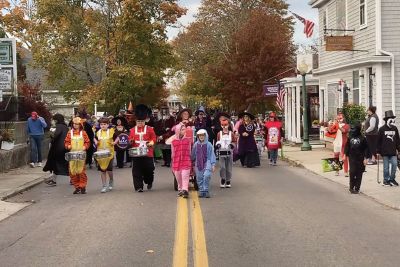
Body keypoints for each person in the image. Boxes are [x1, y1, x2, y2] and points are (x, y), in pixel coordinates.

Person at [129, 104, 157, 192]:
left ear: (145, 121)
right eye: (138, 121)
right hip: (136, 153)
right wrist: (131, 141)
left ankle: (149, 181)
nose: (140, 123)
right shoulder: (132, 130)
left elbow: (154, 139)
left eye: (141, 121)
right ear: (136, 121)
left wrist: (151, 143)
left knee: (149, 169)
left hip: (148, 152)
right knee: (136, 170)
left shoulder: (150, 129)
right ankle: (138, 187)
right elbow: (130, 139)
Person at [64, 117, 90, 194]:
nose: (75, 125)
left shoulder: (83, 133)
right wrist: (68, 146)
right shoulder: (69, 133)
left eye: (77, 124)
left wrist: (85, 147)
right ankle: (77, 187)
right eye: (74, 124)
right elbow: (66, 142)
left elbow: (87, 142)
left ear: (80, 125)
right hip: (72, 154)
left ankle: (82, 187)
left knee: (81, 171)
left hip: (81, 154)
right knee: (72, 171)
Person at [43, 114, 69, 186]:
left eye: (53, 120)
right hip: (65, 148)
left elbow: (56, 135)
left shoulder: (58, 126)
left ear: (56, 120)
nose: (53, 121)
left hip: (58, 149)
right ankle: (54, 180)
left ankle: (54, 181)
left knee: (56, 164)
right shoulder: (65, 127)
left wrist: (51, 134)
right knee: (63, 164)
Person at [344, 123, 369, 194]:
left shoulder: (363, 138)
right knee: (352, 172)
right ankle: (351, 187)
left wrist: (366, 158)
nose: (352, 130)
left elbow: (366, 148)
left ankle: (357, 188)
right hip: (352, 157)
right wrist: (345, 154)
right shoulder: (350, 137)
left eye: (353, 129)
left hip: (360, 158)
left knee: (359, 173)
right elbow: (347, 146)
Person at [377, 110, 400, 186]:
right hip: (385, 151)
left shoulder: (395, 128)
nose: (391, 119)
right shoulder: (381, 129)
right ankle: (386, 180)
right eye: (389, 118)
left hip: (393, 151)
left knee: (394, 165)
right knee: (386, 168)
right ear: (386, 120)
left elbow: (397, 140)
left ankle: (392, 179)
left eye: (392, 118)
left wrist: (399, 150)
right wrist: (378, 151)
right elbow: (378, 141)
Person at [191, 129, 216, 198]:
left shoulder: (209, 144)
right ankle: (202, 191)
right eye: (200, 135)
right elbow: (193, 154)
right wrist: (191, 161)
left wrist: (213, 164)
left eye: (203, 135)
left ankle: (206, 190)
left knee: (207, 175)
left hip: (207, 162)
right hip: (198, 162)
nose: (201, 137)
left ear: (206, 136)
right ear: (198, 136)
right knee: (199, 177)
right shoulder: (196, 144)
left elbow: (212, 154)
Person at [94, 117, 116, 193]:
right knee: (103, 170)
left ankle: (111, 179)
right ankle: (104, 186)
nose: (103, 126)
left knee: (109, 170)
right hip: (100, 154)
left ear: (108, 125)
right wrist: (96, 142)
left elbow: (118, 137)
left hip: (110, 154)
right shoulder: (97, 132)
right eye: (101, 124)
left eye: (104, 124)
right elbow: (94, 138)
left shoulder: (111, 131)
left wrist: (114, 142)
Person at [171, 123, 192, 198]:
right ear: (178, 131)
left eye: (184, 129)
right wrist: (173, 162)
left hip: (186, 160)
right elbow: (172, 153)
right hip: (176, 161)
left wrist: (189, 159)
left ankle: (185, 190)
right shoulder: (173, 141)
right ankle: (180, 189)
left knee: (185, 175)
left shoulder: (187, 140)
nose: (184, 130)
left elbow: (189, 151)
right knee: (178, 176)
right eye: (182, 129)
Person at [215, 113, 236, 188]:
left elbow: (234, 142)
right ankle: (223, 179)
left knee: (229, 167)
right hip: (221, 152)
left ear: (228, 125)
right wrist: (218, 145)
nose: (224, 127)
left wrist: (232, 145)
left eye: (226, 125)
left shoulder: (231, 133)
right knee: (222, 167)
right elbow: (217, 141)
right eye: (223, 125)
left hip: (229, 152)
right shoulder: (219, 133)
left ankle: (228, 180)